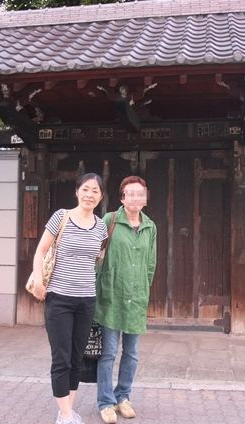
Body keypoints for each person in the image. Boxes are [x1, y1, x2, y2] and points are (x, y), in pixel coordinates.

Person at [32, 173, 108, 424]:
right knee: (61, 358)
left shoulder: (101, 227)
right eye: (85, 189)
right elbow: (41, 250)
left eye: (95, 191)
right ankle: (65, 415)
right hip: (59, 299)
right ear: (77, 191)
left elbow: (97, 261)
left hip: (86, 300)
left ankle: (67, 410)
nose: (89, 195)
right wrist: (39, 280)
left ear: (101, 196)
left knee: (77, 359)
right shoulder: (61, 217)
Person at [95, 176, 157, 424]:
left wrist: (144, 287)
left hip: (136, 297)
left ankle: (123, 397)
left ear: (146, 198)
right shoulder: (109, 220)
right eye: (130, 193)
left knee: (131, 353)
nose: (135, 198)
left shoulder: (150, 227)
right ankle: (105, 402)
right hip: (111, 295)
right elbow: (97, 256)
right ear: (122, 198)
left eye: (140, 193)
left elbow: (151, 263)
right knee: (108, 353)